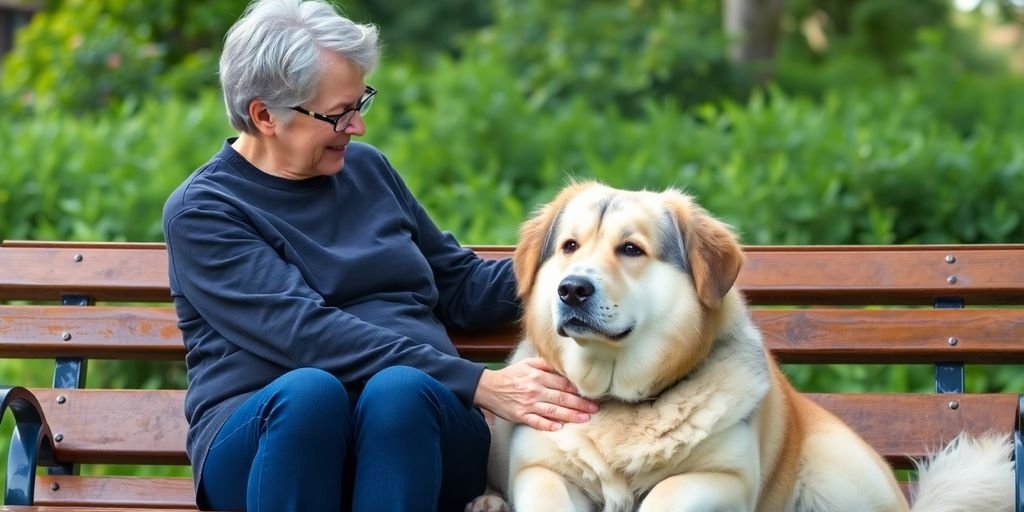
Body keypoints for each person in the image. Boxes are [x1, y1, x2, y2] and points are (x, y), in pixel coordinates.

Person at [161, 0, 597, 510]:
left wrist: (577, 256)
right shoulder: (206, 211)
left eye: (359, 103)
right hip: (268, 444)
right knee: (310, 394)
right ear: (264, 115)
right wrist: (479, 382)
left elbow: (460, 287)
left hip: (416, 429)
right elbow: (306, 334)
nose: (358, 127)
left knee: (400, 392)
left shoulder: (367, 172)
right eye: (339, 113)